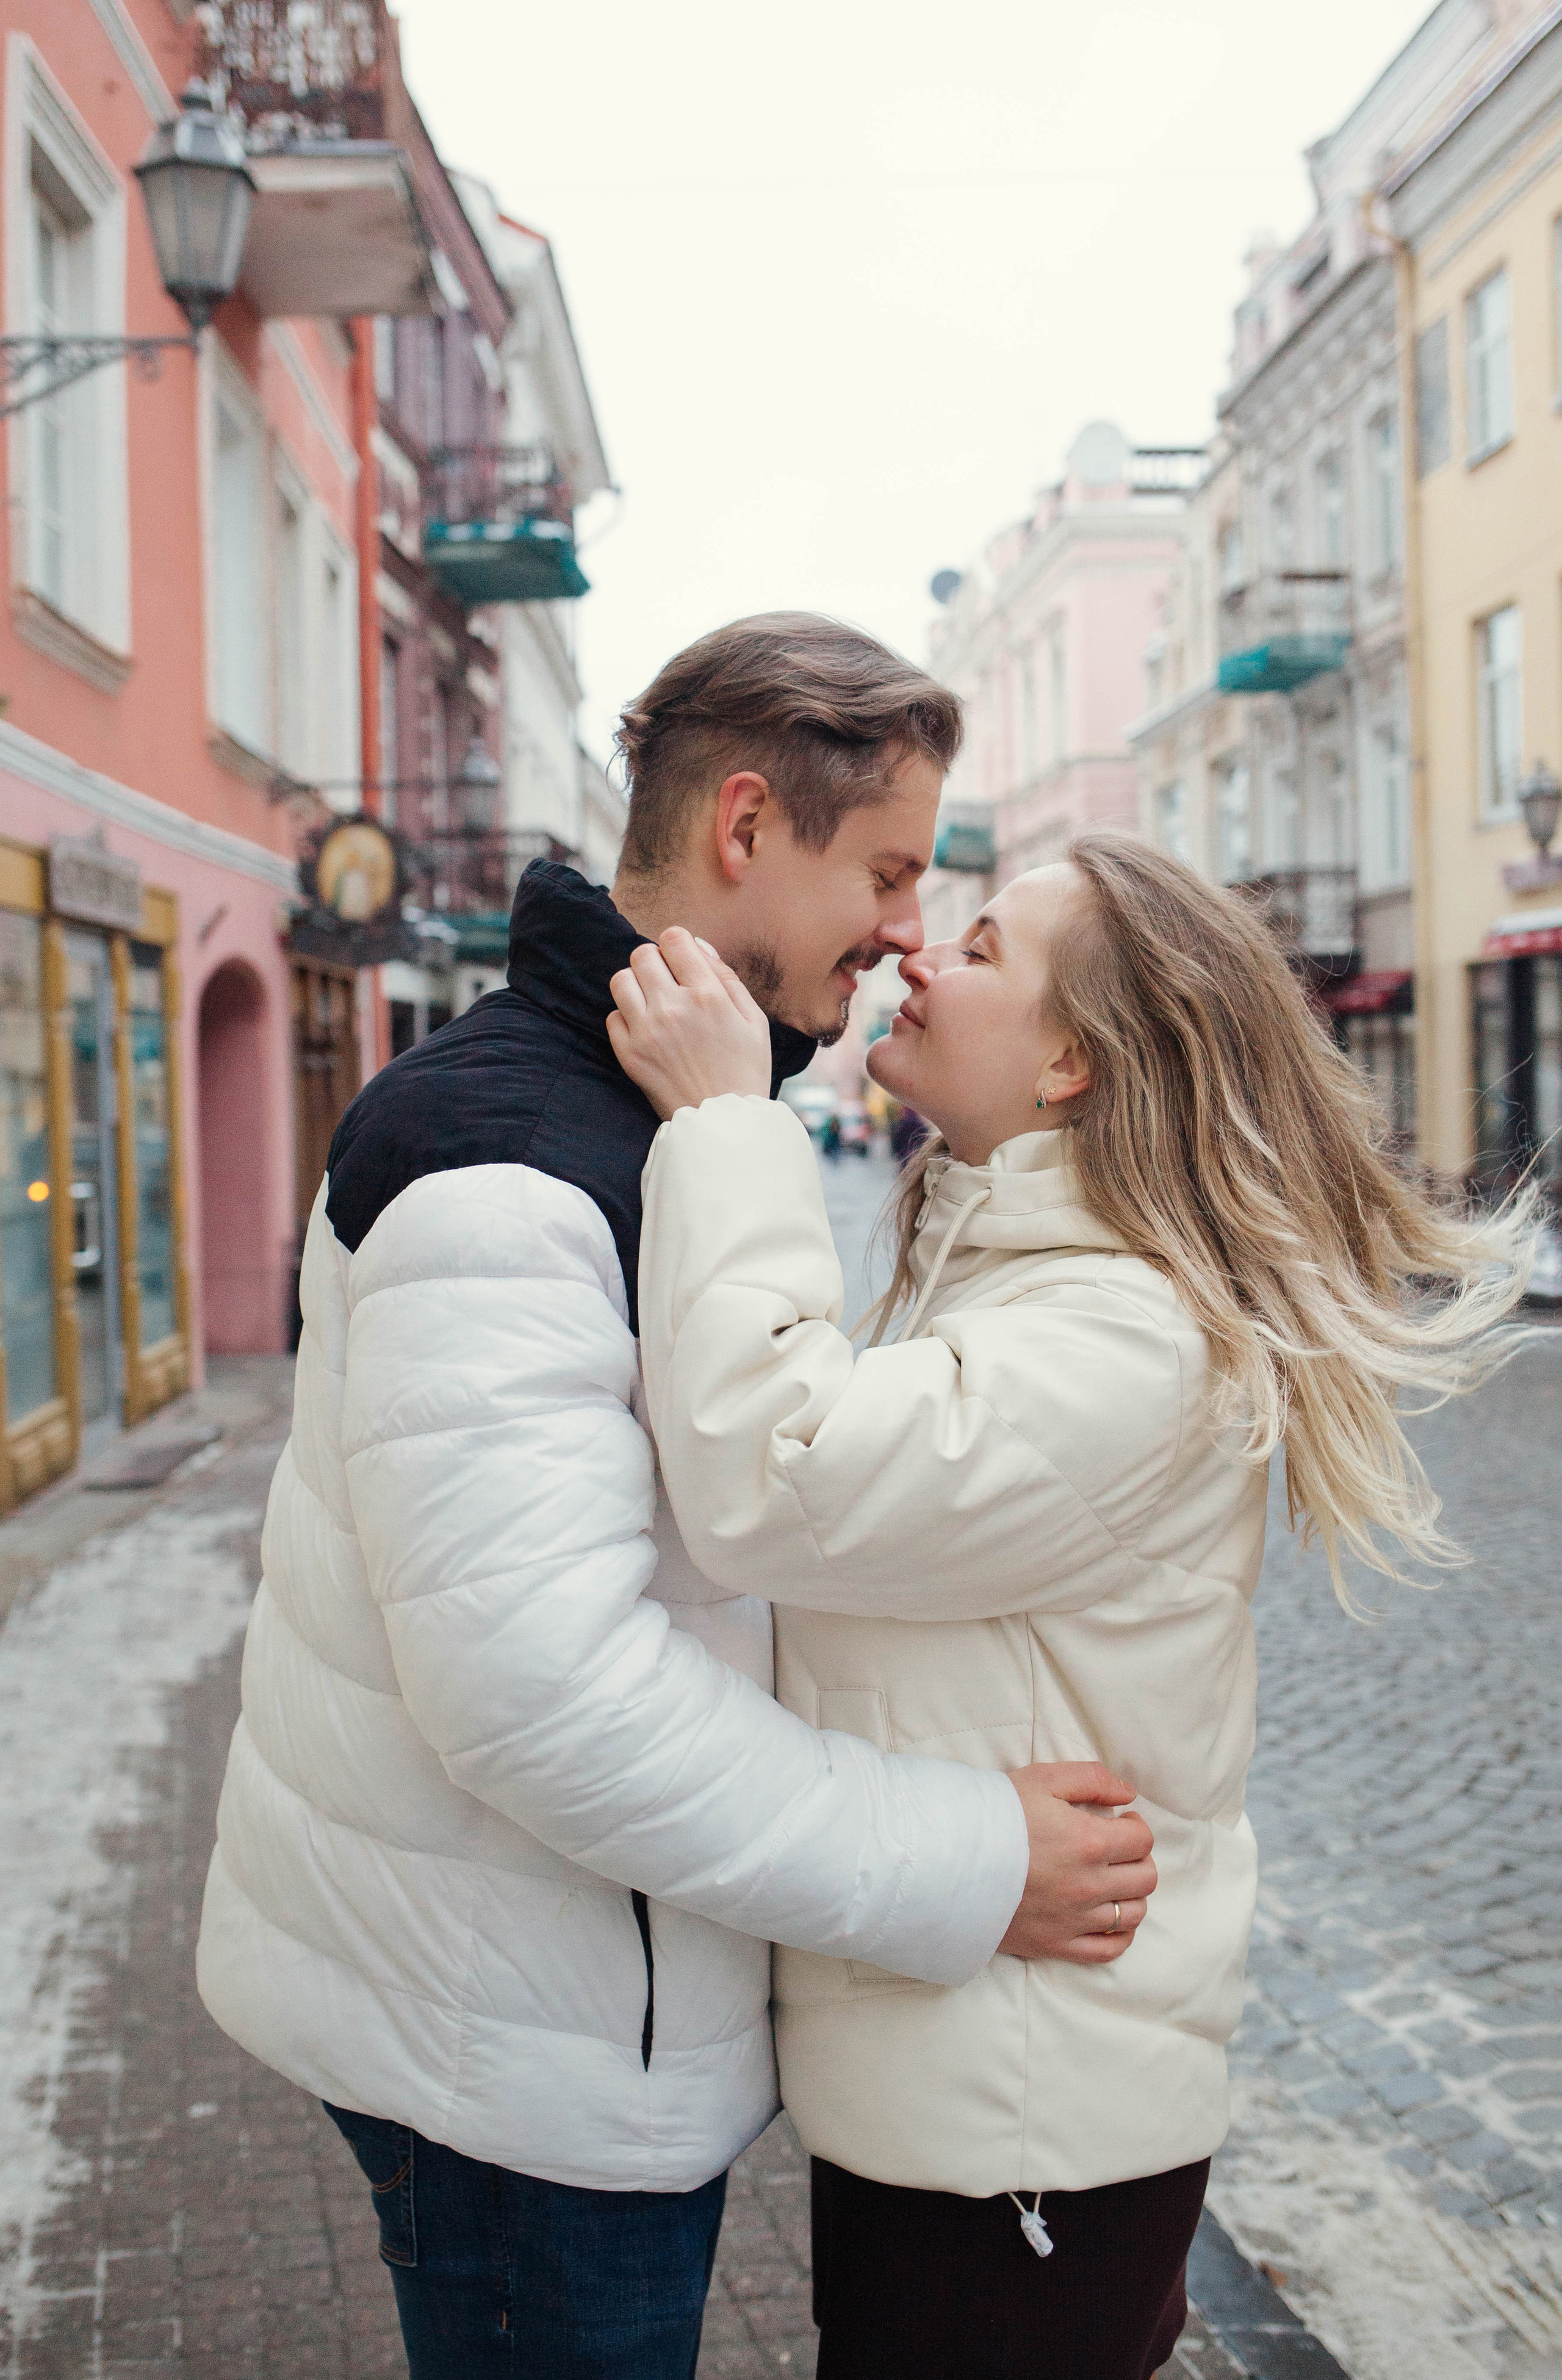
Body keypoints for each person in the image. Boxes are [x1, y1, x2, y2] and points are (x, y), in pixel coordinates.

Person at [195, 619, 1159, 2380]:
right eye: (881, 868)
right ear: (741, 826)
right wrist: (967, 1856)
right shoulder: (514, 1159)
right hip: (520, 2060)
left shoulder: (641, 1120)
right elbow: (538, 1689)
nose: (899, 930)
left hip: (561, 1997)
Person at [608, 830, 1532, 2380]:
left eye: (977, 950)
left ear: (1068, 1068)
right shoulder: (1006, 1258)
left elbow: (773, 1472)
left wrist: (721, 1126)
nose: (919, 953)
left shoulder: (1118, 1334)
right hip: (967, 2071)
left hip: (1023, 2120)